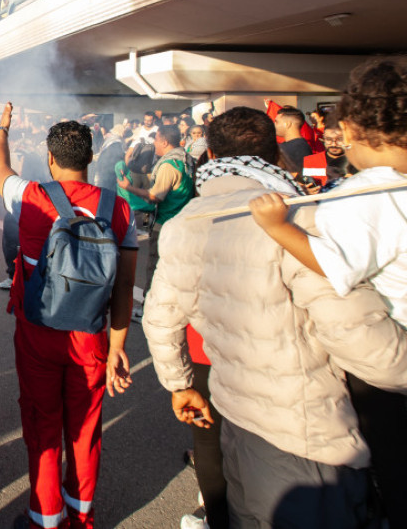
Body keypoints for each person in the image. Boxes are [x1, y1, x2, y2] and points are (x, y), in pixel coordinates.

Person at [143, 106, 407, 528]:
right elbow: (355, 335)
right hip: (308, 435)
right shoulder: (293, 218)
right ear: (274, 155)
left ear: (210, 156)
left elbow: (159, 318)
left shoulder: (184, 222)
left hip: (235, 418)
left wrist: (179, 385)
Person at [249, 56, 407, 525]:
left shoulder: (364, 195)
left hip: (390, 369)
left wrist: (276, 226)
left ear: (354, 128)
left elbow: (333, 265)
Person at [0, 104, 138, 529]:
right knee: (86, 428)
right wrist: (117, 349)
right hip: (91, 334)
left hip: (38, 330)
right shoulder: (118, 209)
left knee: (42, 423)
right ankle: (81, 516)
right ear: (90, 159)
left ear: (51, 159)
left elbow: (1, 167)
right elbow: (124, 288)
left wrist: (3, 128)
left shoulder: (31, 196)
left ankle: (45, 518)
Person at [117, 125, 195, 315]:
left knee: (155, 265)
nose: (154, 144)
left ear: (165, 142)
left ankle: (148, 308)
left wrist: (128, 187)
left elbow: (155, 196)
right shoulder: (187, 159)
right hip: (185, 221)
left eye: (156, 140)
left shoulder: (169, 165)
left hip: (166, 223)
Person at [273, 106, 314, 173]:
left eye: (276, 122)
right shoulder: (302, 145)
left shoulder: (292, 147)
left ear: (287, 124)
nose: (274, 125)